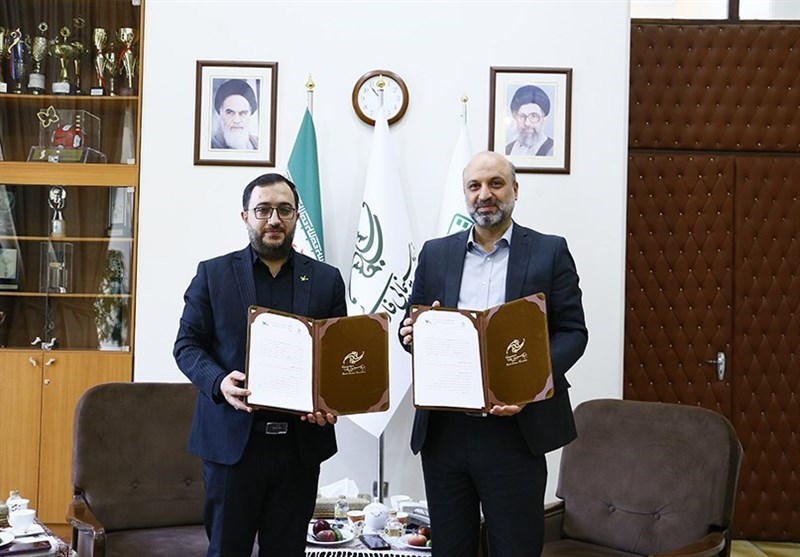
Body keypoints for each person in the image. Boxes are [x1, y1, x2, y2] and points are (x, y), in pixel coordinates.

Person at [399, 151, 587, 557]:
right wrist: (410, 332)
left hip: (517, 431)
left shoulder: (550, 251)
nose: (485, 194)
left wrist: (529, 384)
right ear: (465, 194)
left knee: (515, 548)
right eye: (475, 186)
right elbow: (411, 324)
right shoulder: (435, 253)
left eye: (495, 183)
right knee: (450, 549)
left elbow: (573, 333)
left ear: (515, 189)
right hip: (445, 432)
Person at [174, 173, 346, 557]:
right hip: (232, 446)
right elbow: (187, 345)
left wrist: (331, 400)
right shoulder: (213, 274)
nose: (274, 219)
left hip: (299, 447)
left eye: (284, 210)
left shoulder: (326, 280)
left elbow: (336, 358)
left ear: (296, 216)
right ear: (245, 216)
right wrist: (219, 381)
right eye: (263, 210)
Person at [505, 85, 554, 157]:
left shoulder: (553, 150)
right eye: (522, 116)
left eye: (533, 116)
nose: (527, 123)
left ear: (543, 120)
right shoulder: (508, 150)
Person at [211, 78, 259, 150]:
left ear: (250, 114)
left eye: (243, 113)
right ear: (220, 113)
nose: (237, 120)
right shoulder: (210, 146)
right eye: (230, 113)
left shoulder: (259, 144)